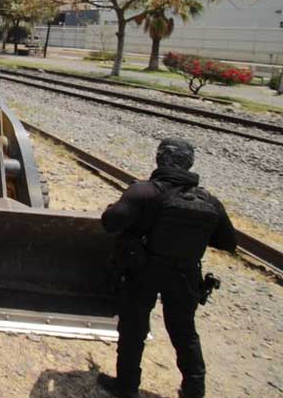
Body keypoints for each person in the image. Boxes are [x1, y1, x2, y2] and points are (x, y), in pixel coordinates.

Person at [97, 138, 237, 398]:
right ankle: (194, 390)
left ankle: (126, 387)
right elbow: (228, 242)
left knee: (133, 330)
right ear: (189, 164)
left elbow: (110, 223)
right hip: (186, 275)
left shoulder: (143, 192)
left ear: (160, 159)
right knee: (185, 333)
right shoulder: (209, 202)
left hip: (143, 271)